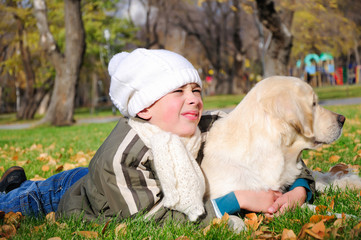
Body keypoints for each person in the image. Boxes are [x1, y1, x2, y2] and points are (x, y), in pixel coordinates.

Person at [0, 48, 315, 230]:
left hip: (108, 185)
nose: (193, 99)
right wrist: (236, 201)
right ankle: (16, 190)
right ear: (146, 108)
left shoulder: (211, 126)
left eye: (196, 90)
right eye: (178, 91)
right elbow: (154, 220)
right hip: (72, 196)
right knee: (21, 202)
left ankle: (18, 184)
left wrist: (297, 192)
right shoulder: (122, 157)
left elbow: (279, 156)